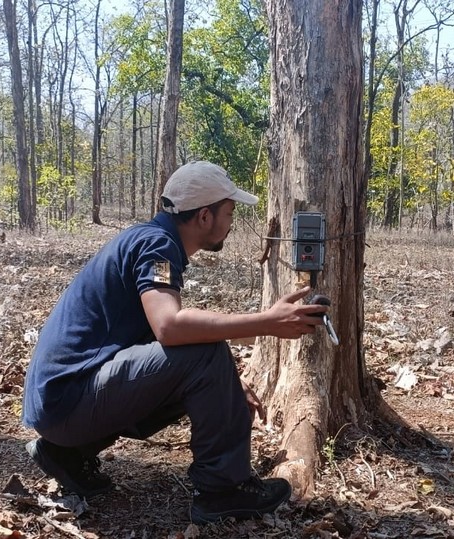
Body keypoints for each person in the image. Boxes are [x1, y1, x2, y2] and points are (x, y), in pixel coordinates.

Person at [21, 161, 327, 524]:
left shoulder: (148, 240)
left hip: (61, 405)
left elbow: (156, 334)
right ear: (203, 217)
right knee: (205, 351)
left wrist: (227, 385)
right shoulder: (157, 246)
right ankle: (223, 490)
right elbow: (169, 327)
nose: (230, 222)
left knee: (205, 356)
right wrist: (267, 323)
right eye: (228, 212)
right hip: (68, 401)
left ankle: (66, 454)